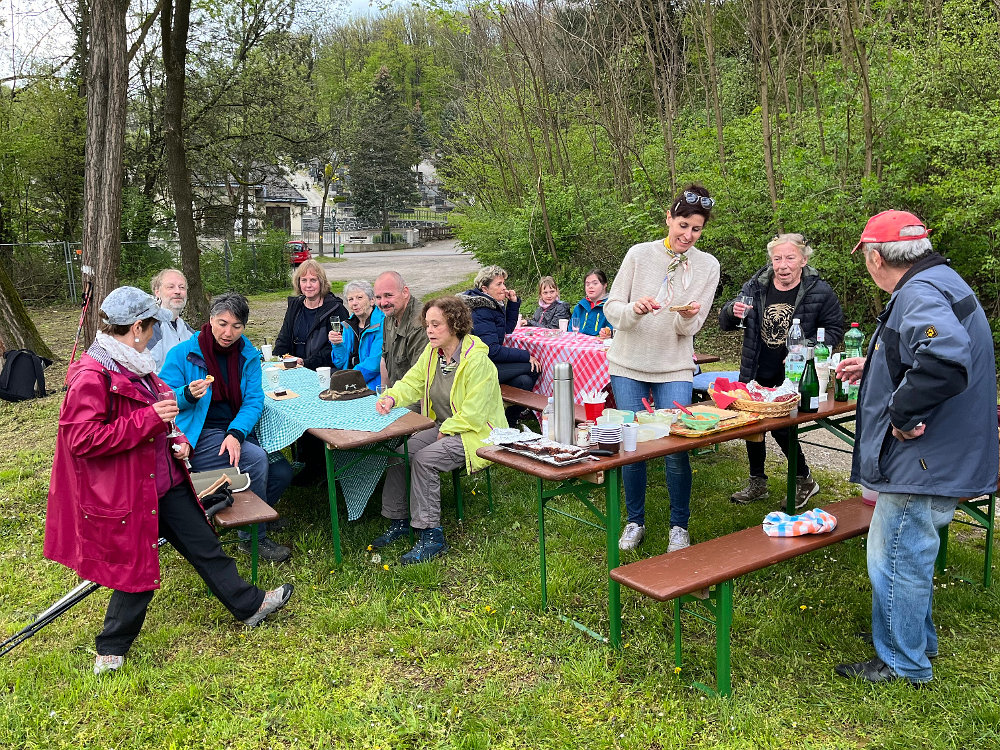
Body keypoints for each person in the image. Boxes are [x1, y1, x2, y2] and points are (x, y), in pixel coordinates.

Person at [44, 286, 292, 675]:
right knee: (137, 571)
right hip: (131, 489)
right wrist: (148, 422)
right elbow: (82, 439)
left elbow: (164, 409)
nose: (155, 336)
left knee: (204, 545)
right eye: (151, 328)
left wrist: (174, 437)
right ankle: (111, 647)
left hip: (164, 477)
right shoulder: (93, 374)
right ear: (137, 327)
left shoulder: (132, 362)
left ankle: (250, 605)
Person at [833, 210, 998, 686]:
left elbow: (944, 361)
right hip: (946, 452)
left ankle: (904, 664)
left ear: (876, 257)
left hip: (926, 457)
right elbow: (933, 351)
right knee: (913, 552)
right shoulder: (940, 279)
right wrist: (878, 366)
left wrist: (903, 416)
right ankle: (914, 638)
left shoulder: (920, 292)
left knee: (897, 555)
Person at [603, 185, 721, 553]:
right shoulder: (639, 255)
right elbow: (611, 308)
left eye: (696, 229)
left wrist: (687, 316)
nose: (687, 235)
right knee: (633, 446)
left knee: (676, 447)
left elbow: (691, 327)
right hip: (628, 365)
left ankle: (678, 526)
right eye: (682, 224)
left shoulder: (708, 266)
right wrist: (633, 311)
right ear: (668, 219)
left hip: (674, 367)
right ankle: (634, 520)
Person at [371, 296, 507, 564]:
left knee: (424, 460)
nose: (429, 330)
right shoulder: (433, 354)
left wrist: (449, 428)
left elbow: (475, 412)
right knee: (400, 453)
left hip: (477, 432)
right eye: (427, 325)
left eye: (436, 324)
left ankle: (431, 536)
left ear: (454, 325)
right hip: (445, 426)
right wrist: (392, 397)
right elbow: (412, 380)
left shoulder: (478, 362)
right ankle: (400, 521)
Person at [160, 292, 294, 563]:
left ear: (244, 327)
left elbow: (254, 400)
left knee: (282, 472)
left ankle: (251, 517)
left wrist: (235, 434)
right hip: (198, 434)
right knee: (255, 460)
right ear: (210, 321)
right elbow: (161, 398)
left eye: (236, 326)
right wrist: (186, 394)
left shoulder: (248, 354)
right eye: (222, 323)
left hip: (234, 430)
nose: (228, 332)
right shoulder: (183, 354)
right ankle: (253, 539)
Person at [718, 233, 844, 508]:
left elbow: (834, 330)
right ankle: (757, 482)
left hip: (794, 374)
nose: (782, 265)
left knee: (783, 430)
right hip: (756, 368)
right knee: (751, 425)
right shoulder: (756, 284)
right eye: (777, 258)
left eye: (789, 258)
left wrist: (805, 348)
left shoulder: (819, 291)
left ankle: (804, 480)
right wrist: (731, 311)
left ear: (803, 260)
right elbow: (725, 320)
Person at [459, 265, 541, 423]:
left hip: (489, 363)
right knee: (533, 367)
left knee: (523, 381)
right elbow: (492, 351)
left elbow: (507, 329)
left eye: (504, 283)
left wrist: (513, 304)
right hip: (478, 368)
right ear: (484, 288)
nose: (504, 288)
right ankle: (509, 420)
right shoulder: (480, 310)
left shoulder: (490, 304)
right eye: (499, 284)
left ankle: (507, 421)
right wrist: (526, 356)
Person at [274, 260, 349, 370]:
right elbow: (284, 338)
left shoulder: (335, 309)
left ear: (321, 282)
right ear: (298, 283)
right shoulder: (295, 306)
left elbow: (334, 349)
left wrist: (306, 363)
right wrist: (276, 359)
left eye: (313, 280)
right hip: (294, 367)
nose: (308, 285)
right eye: (304, 280)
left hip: (323, 370)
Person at [375, 271, 426, 388]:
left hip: (415, 399)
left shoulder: (419, 324)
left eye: (388, 295)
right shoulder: (390, 317)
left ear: (405, 292)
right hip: (397, 396)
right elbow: (384, 360)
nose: (383, 303)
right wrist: (384, 396)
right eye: (378, 297)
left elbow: (421, 380)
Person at [330, 279, 384, 389]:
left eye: (359, 298)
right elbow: (340, 363)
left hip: (374, 385)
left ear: (372, 300)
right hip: (351, 382)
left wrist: (347, 379)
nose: (354, 303)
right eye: (350, 299)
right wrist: (337, 345)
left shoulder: (381, 324)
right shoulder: (348, 326)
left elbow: (374, 364)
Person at [148, 269, 196, 370]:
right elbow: (144, 371)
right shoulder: (148, 327)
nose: (178, 291)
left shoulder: (190, 333)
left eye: (182, 287)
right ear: (157, 292)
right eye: (171, 287)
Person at [571, 269, 613, 339]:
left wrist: (609, 334)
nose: (590, 286)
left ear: (605, 285)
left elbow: (615, 331)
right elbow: (571, 332)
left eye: (595, 283)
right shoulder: (579, 307)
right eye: (587, 284)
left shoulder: (611, 307)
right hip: (578, 346)